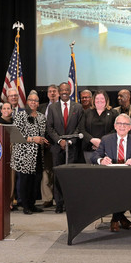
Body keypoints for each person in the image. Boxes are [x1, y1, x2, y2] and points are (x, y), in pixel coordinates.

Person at [91, 114, 131, 232]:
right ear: (115, 126)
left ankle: (115, 219)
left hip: (129, 180)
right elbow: (95, 155)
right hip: (109, 179)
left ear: (130, 127)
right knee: (115, 190)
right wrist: (101, 160)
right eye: (120, 124)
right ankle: (120, 218)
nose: (122, 126)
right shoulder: (106, 139)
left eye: (125, 124)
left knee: (127, 191)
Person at [46, 82, 85, 213]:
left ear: (70, 91)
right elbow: (49, 128)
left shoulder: (78, 107)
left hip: (72, 148)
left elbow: (80, 127)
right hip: (57, 148)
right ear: (58, 91)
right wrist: (59, 141)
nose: (64, 92)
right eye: (61, 90)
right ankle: (59, 203)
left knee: (70, 176)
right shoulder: (52, 108)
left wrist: (70, 141)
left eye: (66, 90)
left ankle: (70, 203)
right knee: (58, 175)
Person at [12, 91, 49, 215]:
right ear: (27, 102)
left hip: (38, 154)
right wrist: (33, 139)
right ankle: (25, 205)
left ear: (38, 104)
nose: (33, 102)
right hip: (23, 155)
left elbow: (41, 134)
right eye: (31, 100)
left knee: (36, 180)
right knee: (25, 181)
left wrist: (43, 140)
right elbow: (16, 135)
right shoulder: (20, 116)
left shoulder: (41, 117)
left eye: (36, 101)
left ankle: (32, 204)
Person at [80, 90, 118, 163]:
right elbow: (81, 129)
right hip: (89, 148)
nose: (99, 101)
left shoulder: (113, 113)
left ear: (106, 100)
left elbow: (116, 129)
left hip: (107, 149)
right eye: (97, 99)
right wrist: (92, 140)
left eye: (102, 99)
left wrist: (101, 142)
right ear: (93, 100)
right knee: (90, 173)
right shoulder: (87, 112)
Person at [38, 84, 59, 208]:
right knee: (46, 172)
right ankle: (47, 198)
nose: (52, 93)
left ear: (58, 93)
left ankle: (59, 198)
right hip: (43, 144)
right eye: (50, 91)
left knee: (57, 171)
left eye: (54, 91)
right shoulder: (42, 107)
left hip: (57, 144)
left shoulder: (61, 107)